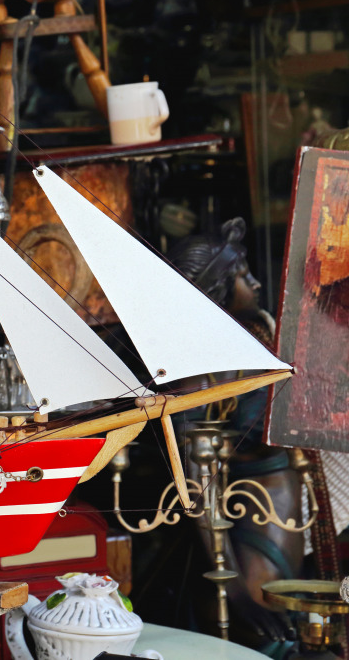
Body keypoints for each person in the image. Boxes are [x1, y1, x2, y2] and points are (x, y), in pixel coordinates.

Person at [168, 217, 301, 653]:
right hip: (252, 518)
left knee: (291, 626)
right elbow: (196, 477)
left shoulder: (251, 343)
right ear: (217, 290)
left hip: (281, 512)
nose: (257, 283)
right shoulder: (201, 374)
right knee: (267, 635)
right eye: (243, 274)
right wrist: (234, 586)